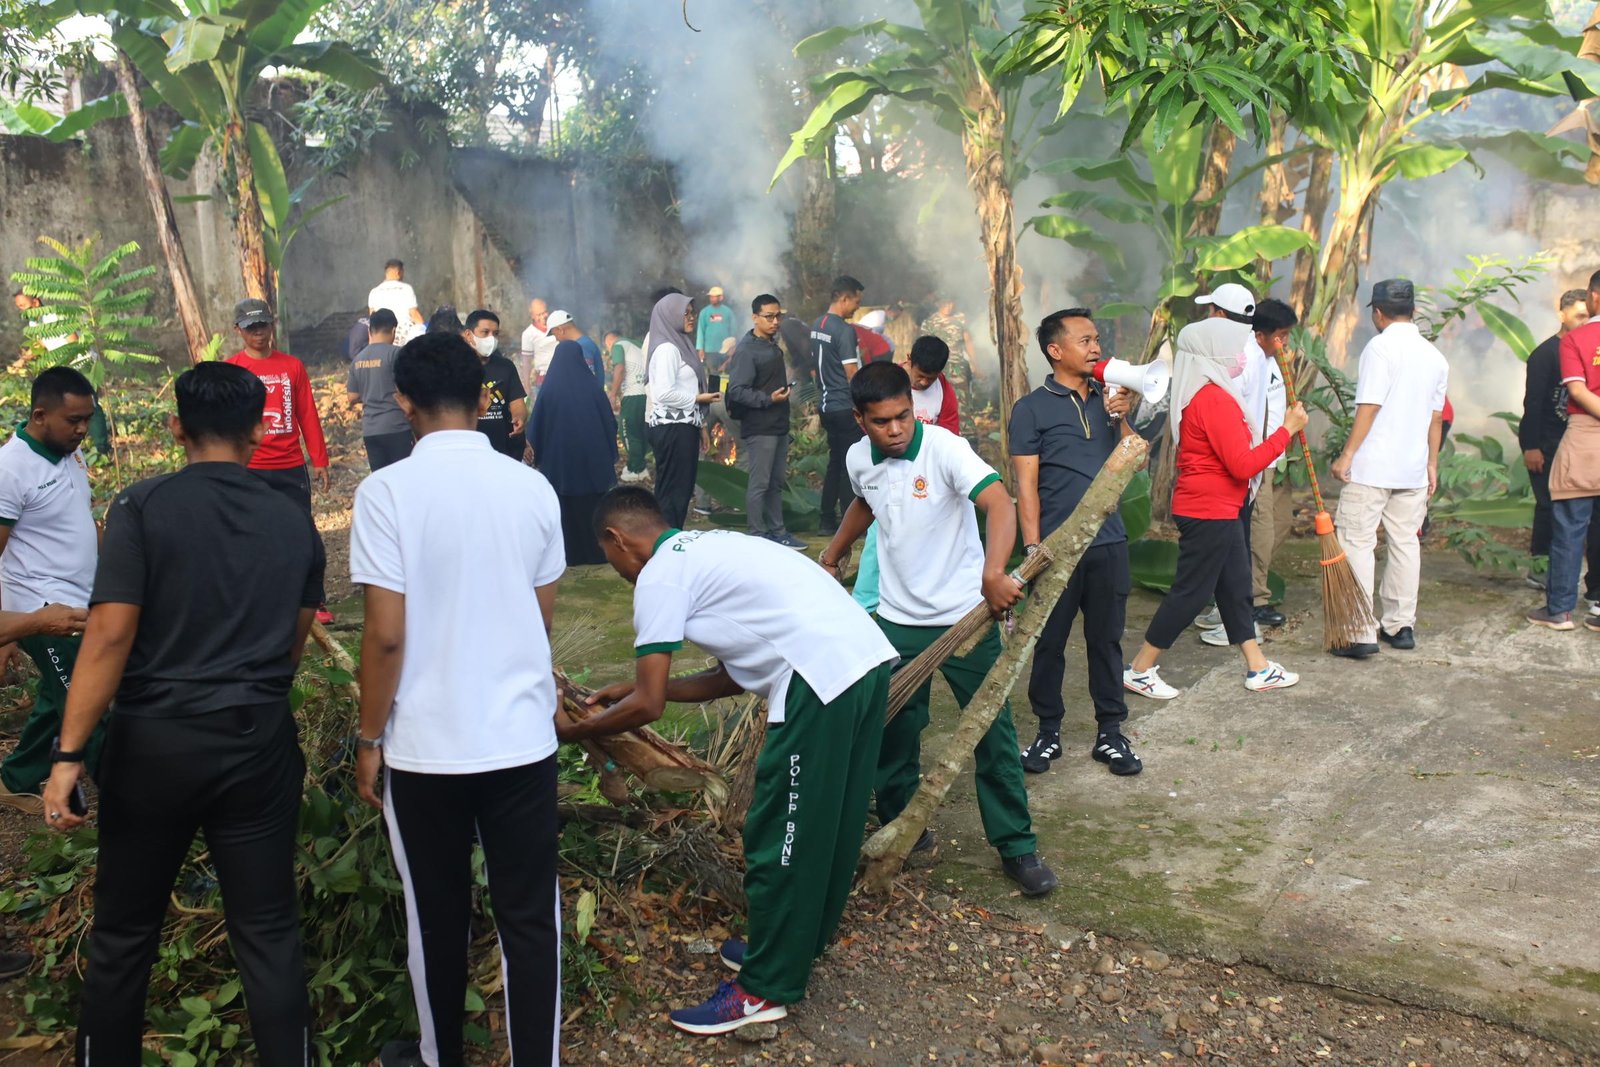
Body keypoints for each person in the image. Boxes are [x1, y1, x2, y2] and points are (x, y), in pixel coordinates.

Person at [42, 360, 324, 1065]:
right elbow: (293, 639)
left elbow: (109, 634)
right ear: (260, 431)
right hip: (257, 741)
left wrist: (68, 753)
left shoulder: (140, 507)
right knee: (266, 930)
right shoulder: (292, 518)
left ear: (175, 428)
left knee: (124, 933)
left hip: (154, 747)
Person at [567, 487, 898, 1036]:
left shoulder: (658, 576)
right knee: (829, 825)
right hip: (863, 664)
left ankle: (763, 989)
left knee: (778, 833)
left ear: (616, 539)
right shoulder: (711, 547)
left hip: (818, 684)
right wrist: (641, 685)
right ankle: (792, 948)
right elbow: (725, 677)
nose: (616, 571)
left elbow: (645, 706)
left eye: (609, 558)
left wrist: (572, 730)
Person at [349, 330, 566, 1067]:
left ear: (403, 400)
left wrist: (368, 737)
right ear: (484, 398)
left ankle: (445, 1058)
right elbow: (540, 613)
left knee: (437, 919)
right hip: (520, 739)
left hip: (424, 747)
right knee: (530, 919)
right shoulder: (531, 487)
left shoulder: (385, 493)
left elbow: (383, 637)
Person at [819, 361, 1059, 896]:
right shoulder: (861, 458)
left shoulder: (945, 449)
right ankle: (908, 827)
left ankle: (1016, 846)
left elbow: (999, 502)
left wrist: (992, 573)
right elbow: (866, 501)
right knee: (894, 730)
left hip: (966, 619)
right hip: (898, 621)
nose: (897, 429)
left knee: (992, 734)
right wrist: (834, 553)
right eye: (882, 421)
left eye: (904, 416)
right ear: (861, 420)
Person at [1122, 299, 1307, 698]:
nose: (1243, 356)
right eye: (1236, 349)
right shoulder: (1214, 400)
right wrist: (1286, 431)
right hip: (1210, 511)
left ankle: (1257, 667)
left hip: (1219, 507)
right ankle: (1139, 669)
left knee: (1234, 586)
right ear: (1215, 354)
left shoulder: (1207, 394)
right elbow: (1242, 465)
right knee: (1190, 593)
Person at [1009, 310, 1142, 777]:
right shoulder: (1031, 409)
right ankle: (1048, 732)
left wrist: (1122, 419)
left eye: (1097, 339)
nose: (1096, 347)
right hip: (1055, 548)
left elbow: (1133, 463)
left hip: (1109, 543)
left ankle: (1111, 732)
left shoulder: (1111, 401)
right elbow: (1025, 486)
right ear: (1055, 350)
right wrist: (1033, 549)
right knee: (1049, 643)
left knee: (1106, 641)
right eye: (1085, 340)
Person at [0, 368, 101, 814]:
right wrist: (9, 630)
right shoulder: (10, 469)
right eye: (73, 420)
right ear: (40, 415)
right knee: (91, 700)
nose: (83, 429)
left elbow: (80, 521)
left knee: (58, 697)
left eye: (87, 419)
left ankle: (12, 778)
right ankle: (130, 801)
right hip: (43, 609)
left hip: (81, 602)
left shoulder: (70, 454)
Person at [1330, 279, 1450, 654]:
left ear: (1377, 313)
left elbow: (1369, 405)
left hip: (1372, 468)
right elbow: (1436, 418)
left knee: (1357, 542)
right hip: (1412, 468)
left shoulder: (1379, 349)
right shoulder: (1435, 357)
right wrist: (1432, 463)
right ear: (1412, 311)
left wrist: (1347, 454)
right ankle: (1400, 627)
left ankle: (1358, 631)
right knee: (1405, 544)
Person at [225, 298, 332, 624]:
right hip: (250, 466)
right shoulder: (233, 369)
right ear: (238, 331)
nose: (258, 333)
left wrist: (320, 458)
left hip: (289, 465)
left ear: (273, 325)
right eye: (250, 327)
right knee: (250, 534)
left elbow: (307, 413)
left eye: (263, 325)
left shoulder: (292, 366)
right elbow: (226, 418)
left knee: (302, 532)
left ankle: (313, 601)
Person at [851, 335, 963, 614]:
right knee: (879, 540)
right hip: (888, 472)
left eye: (931, 377)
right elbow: (873, 425)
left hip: (925, 477)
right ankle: (865, 605)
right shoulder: (889, 382)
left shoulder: (944, 392)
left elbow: (949, 433)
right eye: (920, 375)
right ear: (909, 361)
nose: (924, 383)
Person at [1201, 298, 1291, 646]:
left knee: (1248, 533)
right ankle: (1238, 612)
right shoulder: (1244, 362)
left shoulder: (1265, 358)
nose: (1284, 343)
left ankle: (1235, 609)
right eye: (1281, 336)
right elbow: (1235, 416)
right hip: (1246, 461)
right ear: (1261, 334)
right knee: (1243, 536)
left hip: (1260, 460)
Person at [1529, 269, 1600, 631]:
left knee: (1570, 525)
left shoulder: (1575, 340)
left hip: (1586, 439)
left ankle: (1559, 609)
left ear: (1594, 297)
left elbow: (1577, 391)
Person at [527, 340, 618, 565]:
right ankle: (597, 554)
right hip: (592, 462)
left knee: (564, 510)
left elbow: (536, 425)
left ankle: (569, 555)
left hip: (560, 465)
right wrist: (608, 451)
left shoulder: (549, 390)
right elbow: (610, 423)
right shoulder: (593, 388)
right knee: (593, 509)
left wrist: (536, 452)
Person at [727, 294, 799, 547]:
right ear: (755, 317)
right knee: (760, 484)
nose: (775, 321)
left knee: (776, 484)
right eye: (769, 316)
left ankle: (778, 533)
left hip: (777, 424)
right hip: (760, 426)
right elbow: (736, 390)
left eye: (778, 315)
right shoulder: (748, 350)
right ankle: (757, 536)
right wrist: (768, 399)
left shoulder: (770, 345)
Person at [645, 293, 719, 529]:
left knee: (682, 488)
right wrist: (699, 398)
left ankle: (671, 534)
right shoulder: (667, 349)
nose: (691, 318)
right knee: (673, 489)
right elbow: (663, 394)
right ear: (670, 316)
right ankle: (665, 539)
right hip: (671, 428)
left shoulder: (681, 344)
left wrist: (701, 426)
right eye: (685, 313)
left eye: (692, 312)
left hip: (684, 425)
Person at [812, 275, 866, 535]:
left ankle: (826, 520)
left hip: (826, 406)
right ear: (844, 298)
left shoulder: (817, 325)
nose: (857, 307)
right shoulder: (844, 331)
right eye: (856, 301)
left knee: (835, 463)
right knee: (850, 466)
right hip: (844, 406)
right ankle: (849, 524)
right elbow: (851, 373)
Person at [346, 309, 413, 471]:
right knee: (402, 479)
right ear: (393, 330)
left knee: (381, 480)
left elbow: (352, 396)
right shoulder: (397, 354)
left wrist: (371, 392)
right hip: (396, 428)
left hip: (371, 431)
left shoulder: (358, 359)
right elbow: (406, 388)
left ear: (370, 331)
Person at [466, 309, 528, 460]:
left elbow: (517, 402)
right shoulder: (459, 367)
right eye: (485, 332)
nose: (491, 338)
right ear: (469, 335)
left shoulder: (506, 367)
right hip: (471, 448)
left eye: (495, 334)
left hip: (503, 447)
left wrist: (519, 418)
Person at [919, 299, 980, 435]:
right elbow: (924, 345)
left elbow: (968, 342)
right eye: (945, 303)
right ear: (937, 303)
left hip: (958, 369)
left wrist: (975, 364)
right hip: (939, 369)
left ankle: (967, 435)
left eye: (951, 303)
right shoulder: (929, 322)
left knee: (962, 402)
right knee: (939, 400)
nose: (949, 306)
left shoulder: (960, 319)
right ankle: (942, 434)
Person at [605, 330, 649, 483]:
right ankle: (639, 465)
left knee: (628, 432)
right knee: (641, 432)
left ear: (610, 341)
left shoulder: (618, 345)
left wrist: (612, 394)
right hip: (647, 393)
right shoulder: (637, 344)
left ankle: (637, 469)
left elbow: (620, 368)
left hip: (633, 394)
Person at [367, 259, 424, 345]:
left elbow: (372, 319)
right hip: (404, 338)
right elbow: (414, 315)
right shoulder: (406, 289)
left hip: (382, 338)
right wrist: (425, 329)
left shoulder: (374, 292)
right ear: (399, 272)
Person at [547, 309, 606, 385]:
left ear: (560, 330)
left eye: (555, 334)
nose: (556, 339)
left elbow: (584, 380)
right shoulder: (584, 344)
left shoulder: (581, 347)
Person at [696, 285, 739, 368]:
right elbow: (700, 331)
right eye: (711, 297)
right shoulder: (704, 312)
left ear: (721, 297)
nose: (712, 298)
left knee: (725, 372)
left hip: (725, 349)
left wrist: (733, 346)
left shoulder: (728, 312)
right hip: (709, 349)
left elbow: (733, 330)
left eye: (714, 297)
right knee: (713, 373)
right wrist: (700, 348)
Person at [518, 298, 555, 392]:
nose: (543, 316)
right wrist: (527, 386)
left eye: (545, 312)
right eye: (539, 314)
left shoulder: (556, 326)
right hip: (544, 379)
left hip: (564, 374)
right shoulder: (528, 334)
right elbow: (527, 362)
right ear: (532, 316)